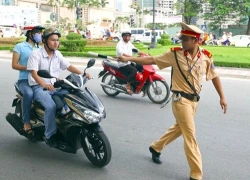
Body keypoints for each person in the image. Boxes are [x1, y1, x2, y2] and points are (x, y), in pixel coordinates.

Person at [118, 22, 228, 180]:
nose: (181, 41)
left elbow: (215, 76)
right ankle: (196, 173)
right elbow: (151, 60)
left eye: (185, 39)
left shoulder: (206, 57)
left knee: (179, 128)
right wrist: (127, 58)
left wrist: (222, 97)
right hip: (180, 100)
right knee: (190, 135)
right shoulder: (175, 54)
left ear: (196, 41)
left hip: (194, 101)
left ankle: (156, 147)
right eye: (181, 38)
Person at [27, 27, 90, 148]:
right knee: (51, 106)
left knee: (72, 97)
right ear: (45, 40)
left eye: (57, 40)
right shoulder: (36, 54)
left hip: (55, 86)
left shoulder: (58, 54)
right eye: (52, 40)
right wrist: (44, 84)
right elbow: (34, 73)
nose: (56, 42)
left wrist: (82, 73)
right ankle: (50, 135)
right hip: (39, 87)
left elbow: (69, 67)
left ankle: (65, 125)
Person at [12, 25, 45, 140]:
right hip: (24, 80)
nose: (39, 35)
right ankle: (26, 122)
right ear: (29, 34)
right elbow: (14, 65)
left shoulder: (40, 49)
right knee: (29, 94)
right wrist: (29, 68)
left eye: (40, 33)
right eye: (37, 32)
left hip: (38, 79)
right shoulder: (20, 46)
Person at [116, 31, 145, 95]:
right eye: (126, 36)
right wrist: (131, 57)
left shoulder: (129, 43)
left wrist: (143, 54)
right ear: (123, 37)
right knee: (134, 70)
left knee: (140, 66)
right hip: (122, 64)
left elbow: (135, 50)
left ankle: (138, 82)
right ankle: (128, 85)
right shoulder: (119, 44)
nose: (127, 37)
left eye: (128, 36)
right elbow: (122, 53)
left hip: (129, 62)